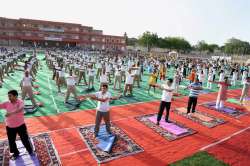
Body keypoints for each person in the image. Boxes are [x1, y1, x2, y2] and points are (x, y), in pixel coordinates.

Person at [0, 90, 34, 160]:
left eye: (10, 96)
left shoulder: (20, 102)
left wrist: (10, 113)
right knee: (11, 141)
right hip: (10, 126)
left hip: (20, 125)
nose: (9, 97)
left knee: (24, 139)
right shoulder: (7, 103)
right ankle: (16, 153)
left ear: (15, 96)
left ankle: (30, 150)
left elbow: (20, 109)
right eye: (8, 96)